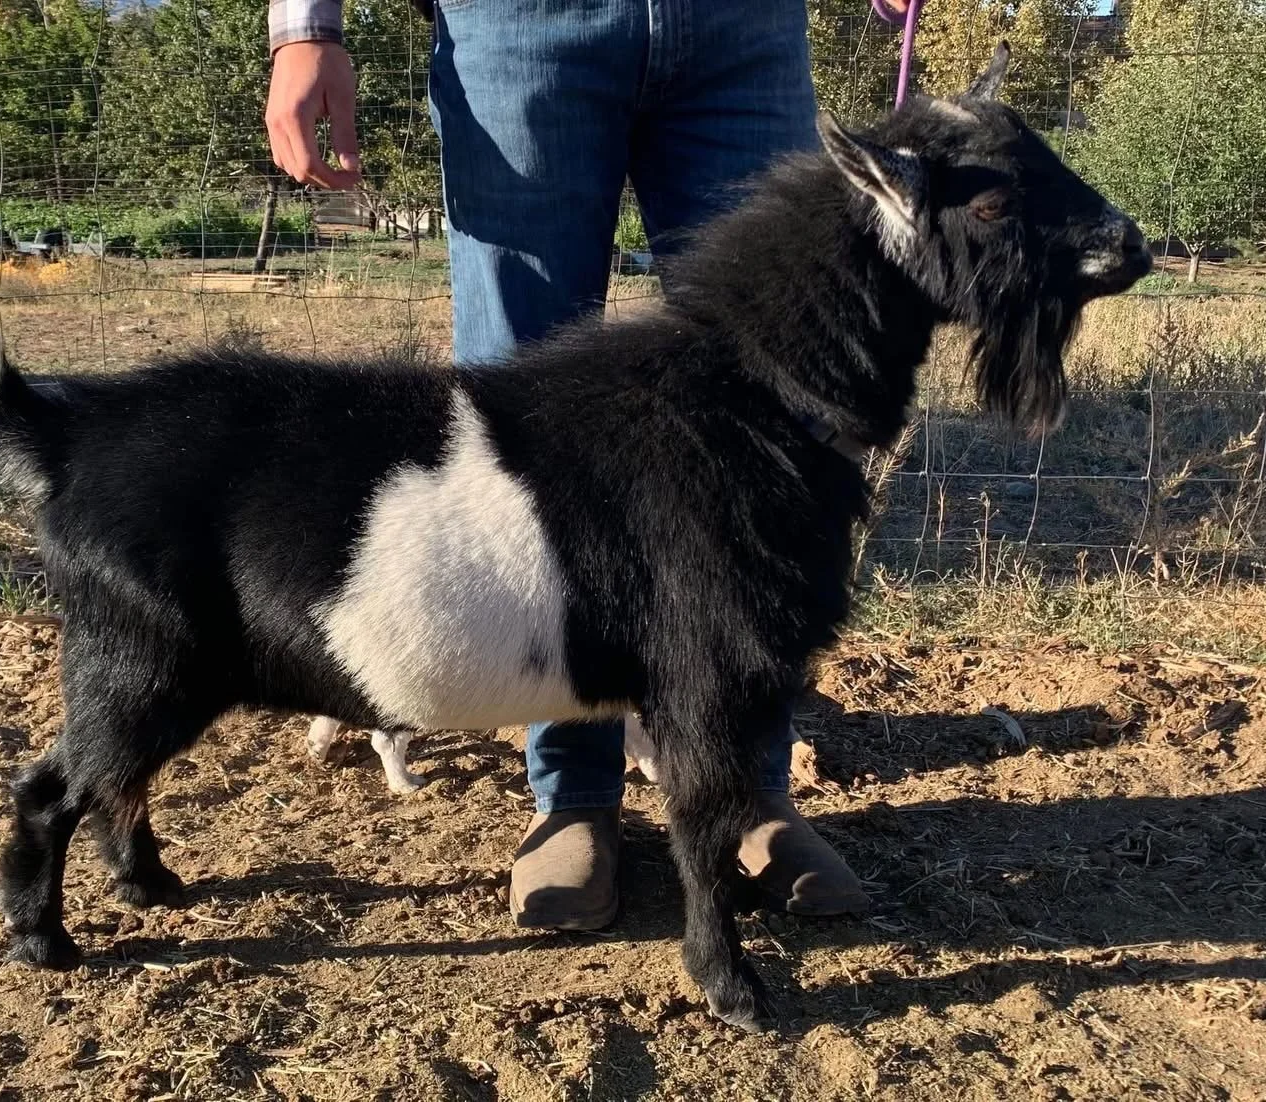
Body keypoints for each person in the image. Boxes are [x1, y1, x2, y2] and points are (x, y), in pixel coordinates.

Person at [264, 0, 869, 930]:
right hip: (518, 27)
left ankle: (746, 786)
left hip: (744, 31)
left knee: (773, 408)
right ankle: (575, 795)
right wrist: (306, 26)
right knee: (527, 430)